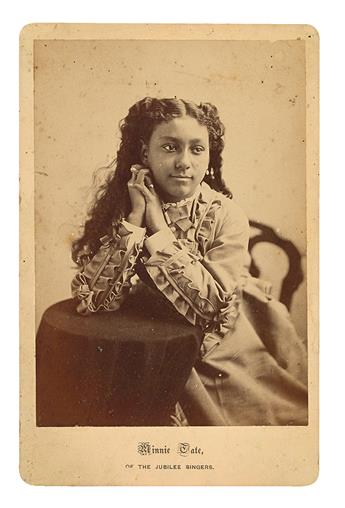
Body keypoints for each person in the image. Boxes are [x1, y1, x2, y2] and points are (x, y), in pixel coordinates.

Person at [71, 97, 308, 426]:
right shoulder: (125, 208)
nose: (184, 162)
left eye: (197, 149)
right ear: (144, 154)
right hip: (153, 337)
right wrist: (137, 218)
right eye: (170, 148)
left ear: (209, 157)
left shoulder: (226, 215)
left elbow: (210, 309)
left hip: (226, 339)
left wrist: (158, 228)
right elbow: (89, 300)